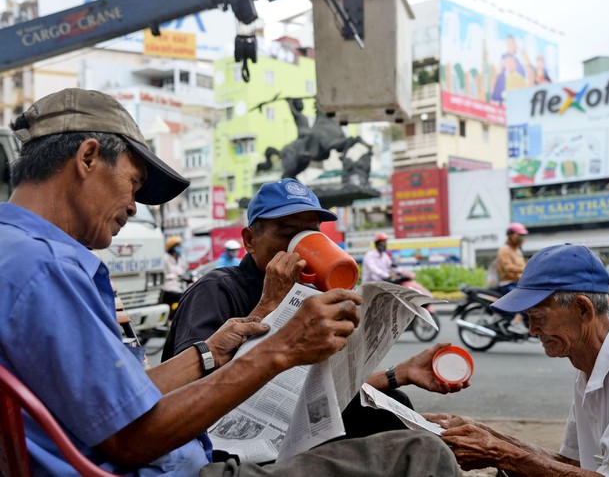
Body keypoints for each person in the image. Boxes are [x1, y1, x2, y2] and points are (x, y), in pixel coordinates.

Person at [0, 88, 459, 477]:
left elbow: (117, 400)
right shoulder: (47, 267)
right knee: (421, 457)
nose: (135, 206)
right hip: (170, 467)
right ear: (88, 157)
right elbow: (130, 437)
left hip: (169, 456)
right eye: (134, 185)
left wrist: (211, 352)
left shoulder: (18, 252)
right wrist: (279, 350)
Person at [163, 178, 465, 435]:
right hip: (226, 433)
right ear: (250, 240)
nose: (299, 244)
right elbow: (189, 390)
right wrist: (269, 304)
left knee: (394, 405)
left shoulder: (308, 295)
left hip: (288, 421)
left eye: (310, 233)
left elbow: (313, 388)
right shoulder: (216, 290)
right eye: (286, 232)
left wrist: (401, 373)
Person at [425, 244, 609, 476]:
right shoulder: (590, 369)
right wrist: (487, 435)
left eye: (539, 317)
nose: (532, 331)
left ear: (583, 309)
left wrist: (502, 454)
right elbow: (571, 464)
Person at [496, 222, 529, 335]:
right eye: (519, 235)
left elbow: (523, 266)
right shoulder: (504, 250)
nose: (522, 238)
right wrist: (525, 269)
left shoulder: (518, 251)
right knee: (528, 299)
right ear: (510, 235)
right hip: (507, 283)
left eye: (523, 236)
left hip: (518, 282)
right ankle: (516, 322)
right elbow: (508, 268)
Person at [162, 235, 186, 320]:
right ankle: (173, 318)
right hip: (168, 288)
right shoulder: (165, 258)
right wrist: (174, 276)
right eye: (178, 246)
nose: (180, 248)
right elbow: (163, 275)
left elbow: (183, 271)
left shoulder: (180, 258)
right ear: (172, 247)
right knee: (184, 298)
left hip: (179, 286)